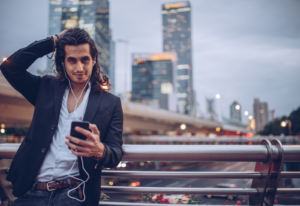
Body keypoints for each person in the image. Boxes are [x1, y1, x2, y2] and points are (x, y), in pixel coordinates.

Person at [0, 28, 123, 206]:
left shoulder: (111, 103)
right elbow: (10, 67)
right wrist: (53, 41)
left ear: (94, 60)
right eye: (71, 60)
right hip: (31, 191)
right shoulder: (45, 88)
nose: (79, 67)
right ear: (63, 63)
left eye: (85, 60)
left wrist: (100, 150)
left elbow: (116, 152)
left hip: (74, 194)